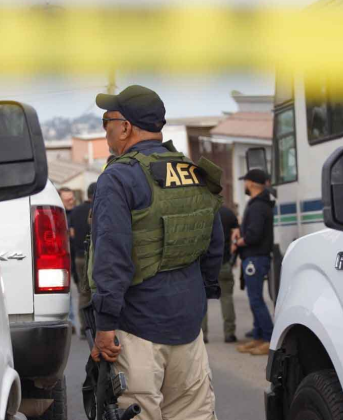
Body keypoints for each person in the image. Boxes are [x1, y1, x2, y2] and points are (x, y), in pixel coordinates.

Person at [88, 85, 224, 420]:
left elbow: (111, 256)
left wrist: (104, 326)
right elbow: (213, 243)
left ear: (125, 126)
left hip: (137, 331)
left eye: (107, 121)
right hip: (188, 327)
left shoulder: (118, 177)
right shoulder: (194, 171)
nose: (105, 130)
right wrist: (197, 299)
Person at [233, 169, 274, 356]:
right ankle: (258, 336)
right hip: (255, 257)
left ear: (250, 183)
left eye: (245, 182)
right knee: (254, 299)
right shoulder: (259, 203)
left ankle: (269, 338)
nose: (244, 185)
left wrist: (237, 243)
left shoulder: (258, 206)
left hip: (255, 257)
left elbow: (254, 234)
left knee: (256, 299)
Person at [202, 204, 238, 343]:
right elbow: (236, 236)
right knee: (227, 298)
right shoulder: (228, 213)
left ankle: (202, 334)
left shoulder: (201, 209)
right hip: (223, 262)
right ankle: (229, 333)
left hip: (204, 265)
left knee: (201, 300)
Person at [69, 182, 96, 338]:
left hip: (79, 257)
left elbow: (71, 236)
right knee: (98, 291)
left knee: (83, 293)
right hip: (95, 257)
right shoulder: (99, 209)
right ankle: (99, 327)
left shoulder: (75, 212)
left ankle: (85, 329)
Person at [58, 187, 78, 333]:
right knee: (67, 292)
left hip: (77, 256)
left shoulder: (76, 213)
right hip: (63, 258)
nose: (71, 201)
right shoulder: (59, 215)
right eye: (68, 199)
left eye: (72, 198)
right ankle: (69, 320)